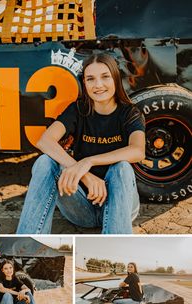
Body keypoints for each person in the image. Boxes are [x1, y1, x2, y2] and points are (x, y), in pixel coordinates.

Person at [16, 52, 145, 234]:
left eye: (105, 77)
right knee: (45, 162)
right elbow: (45, 141)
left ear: (115, 78)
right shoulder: (78, 109)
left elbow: (138, 151)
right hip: (83, 208)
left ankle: (115, 244)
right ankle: (28, 241)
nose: (98, 85)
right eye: (90, 79)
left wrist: (88, 162)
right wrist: (83, 174)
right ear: (84, 83)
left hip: (120, 208)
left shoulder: (130, 113)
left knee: (122, 168)